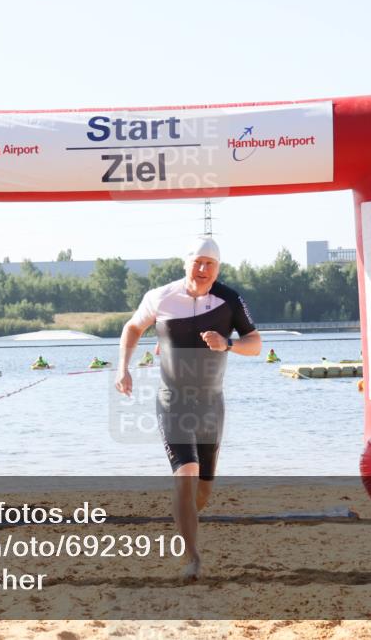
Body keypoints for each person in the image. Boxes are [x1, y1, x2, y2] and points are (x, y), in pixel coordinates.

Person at [115, 236, 262, 580]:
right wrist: (123, 368)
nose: (202, 269)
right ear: (186, 264)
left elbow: (255, 344)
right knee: (187, 472)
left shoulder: (229, 300)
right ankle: (192, 558)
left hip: (211, 403)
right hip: (173, 400)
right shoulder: (161, 297)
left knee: (204, 489)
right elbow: (132, 326)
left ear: (218, 269)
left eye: (210, 264)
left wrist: (227, 343)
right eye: (197, 262)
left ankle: (183, 523)